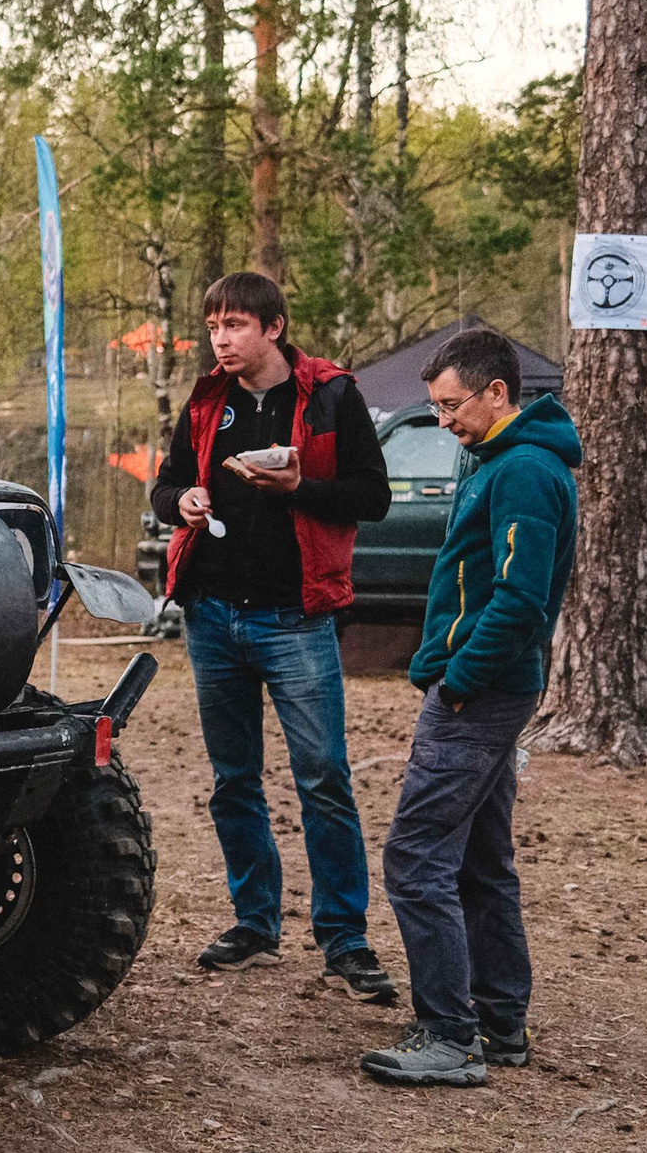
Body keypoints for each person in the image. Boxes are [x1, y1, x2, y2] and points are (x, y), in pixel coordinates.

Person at [150, 272, 395, 1001]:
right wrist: (183, 500)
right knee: (234, 779)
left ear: (274, 327)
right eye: (214, 326)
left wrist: (300, 490)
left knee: (323, 777)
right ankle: (255, 922)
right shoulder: (205, 402)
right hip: (214, 615)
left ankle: (345, 939)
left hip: (296, 617)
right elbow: (165, 487)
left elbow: (372, 496)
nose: (221, 338)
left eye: (235, 325)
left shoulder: (330, 397)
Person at [361, 327, 580, 1086]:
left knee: (416, 856)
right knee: (483, 860)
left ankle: (450, 1033)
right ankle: (499, 1022)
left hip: (481, 692)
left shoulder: (523, 470)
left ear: (497, 392)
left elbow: (520, 599)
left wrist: (457, 680)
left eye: (452, 405)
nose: (443, 419)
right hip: (485, 684)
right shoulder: (498, 459)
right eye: (435, 406)